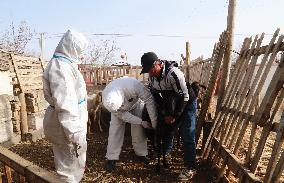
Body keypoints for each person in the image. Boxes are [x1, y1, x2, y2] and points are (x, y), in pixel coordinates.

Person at [140, 52, 197, 181]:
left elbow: (185, 96)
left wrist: (175, 115)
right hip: (171, 103)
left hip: (186, 103)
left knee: (187, 134)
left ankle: (190, 167)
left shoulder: (174, 73)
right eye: (147, 70)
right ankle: (166, 154)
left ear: (157, 64)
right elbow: (155, 95)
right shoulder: (153, 78)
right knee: (168, 131)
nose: (150, 72)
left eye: (150, 69)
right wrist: (166, 113)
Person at [43, 29, 89, 183]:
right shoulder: (61, 69)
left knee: (71, 164)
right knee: (68, 170)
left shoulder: (64, 64)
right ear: (73, 47)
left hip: (67, 124)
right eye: (80, 50)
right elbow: (66, 104)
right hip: (66, 127)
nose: (81, 54)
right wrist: (76, 136)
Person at [102, 77, 158, 173]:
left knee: (138, 130)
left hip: (136, 104)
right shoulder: (108, 99)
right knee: (115, 130)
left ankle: (141, 154)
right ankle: (111, 157)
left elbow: (149, 99)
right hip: (119, 111)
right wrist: (140, 121)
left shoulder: (133, 84)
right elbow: (123, 115)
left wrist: (154, 122)